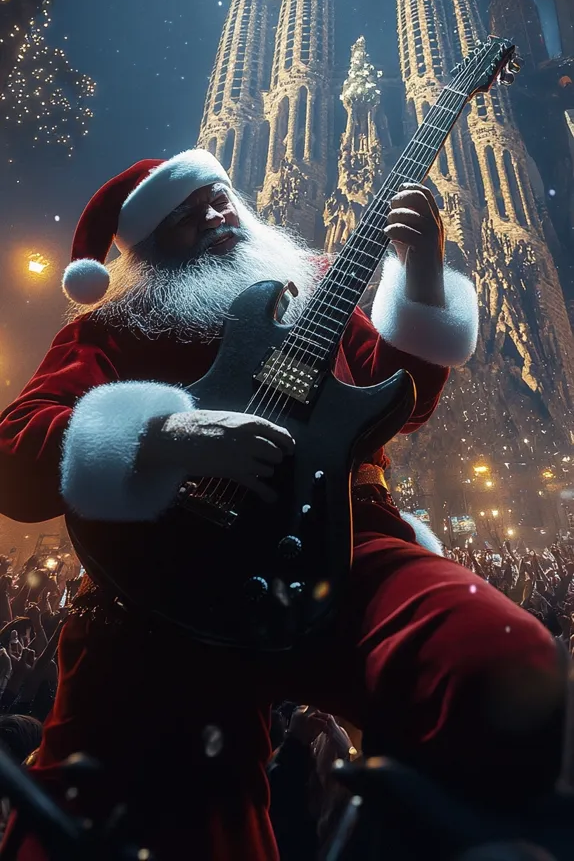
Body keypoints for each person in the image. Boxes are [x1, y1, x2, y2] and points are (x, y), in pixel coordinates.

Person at [0, 149, 565, 860]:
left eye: (218, 197)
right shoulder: (117, 325)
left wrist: (421, 275)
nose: (213, 214)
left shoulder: (314, 289)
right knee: (125, 811)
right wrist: (169, 435)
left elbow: (399, 397)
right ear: (143, 252)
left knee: (494, 660)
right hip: (163, 587)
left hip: (339, 543)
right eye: (183, 215)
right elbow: (14, 450)